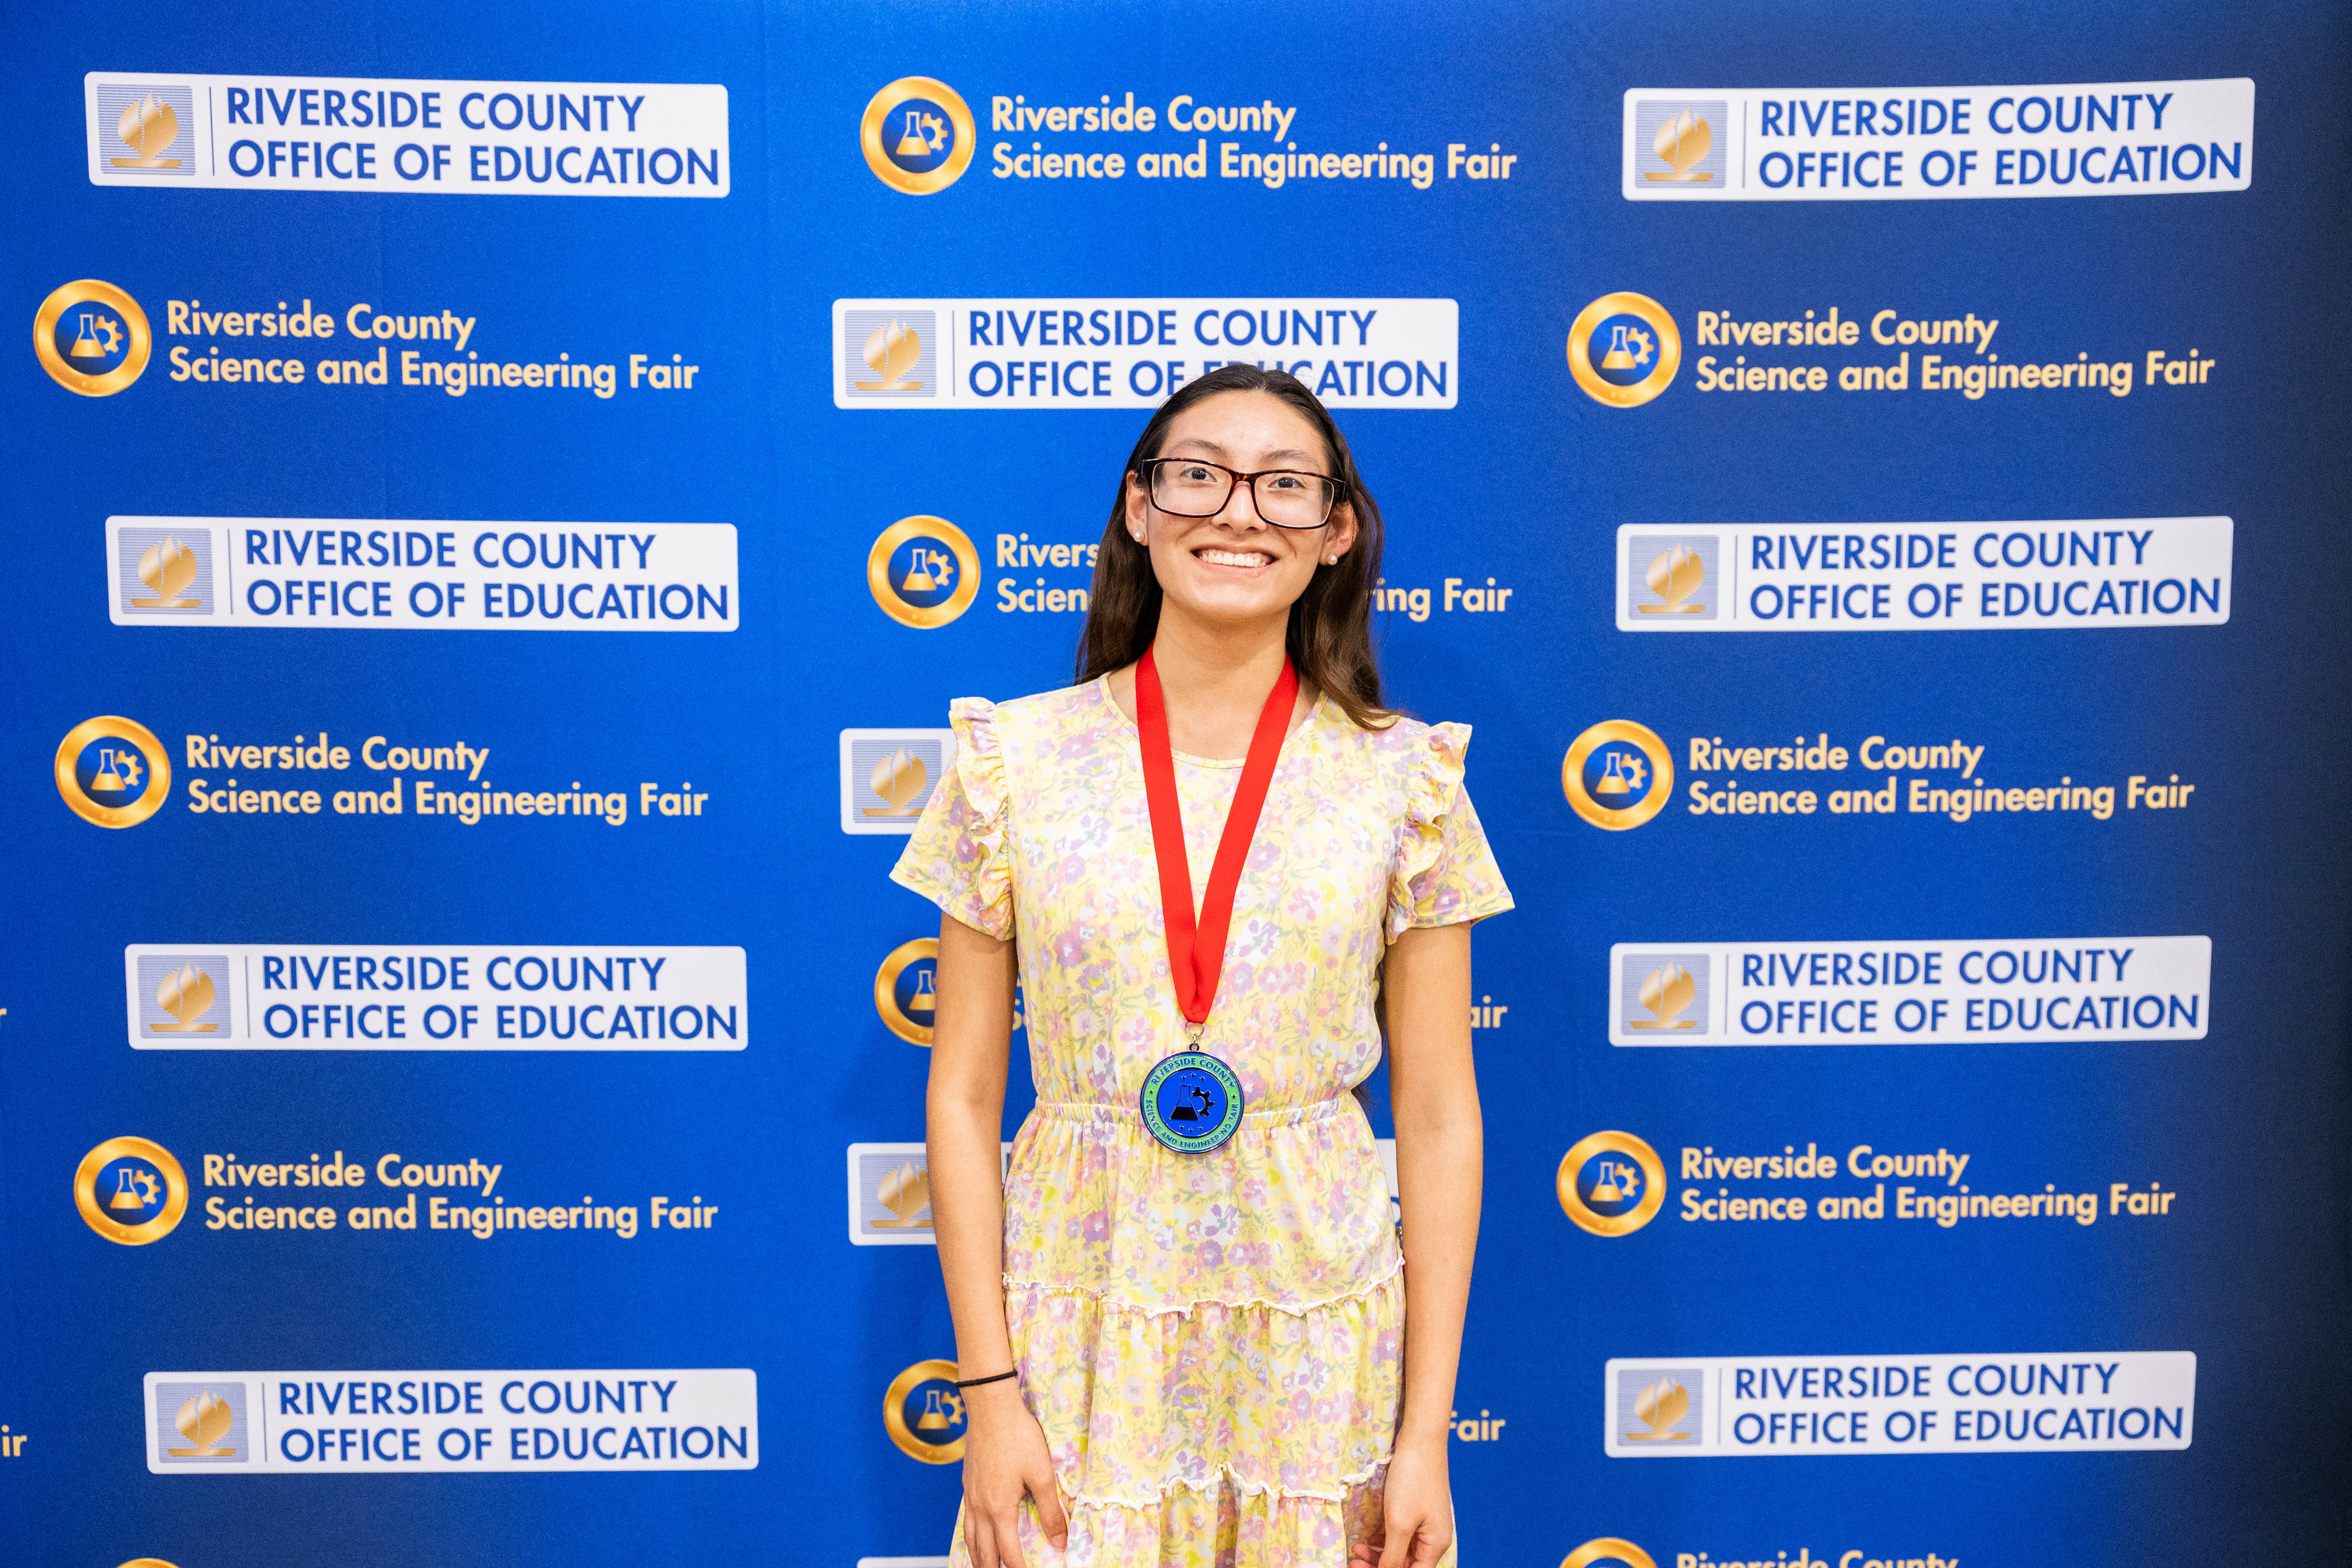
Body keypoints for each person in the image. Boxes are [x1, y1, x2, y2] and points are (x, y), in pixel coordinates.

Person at [893, 364, 1512, 1568]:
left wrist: (1425, 1435)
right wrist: (990, 1395)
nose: (1239, 512)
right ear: (1139, 508)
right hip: (1080, 1325)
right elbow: (962, 1095)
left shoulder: (1408, 781)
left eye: (1284, 485)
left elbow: (1440, 1114)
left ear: (1337, 530)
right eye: (1199, 476)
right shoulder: (1011, 761)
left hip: (1320, 1336)